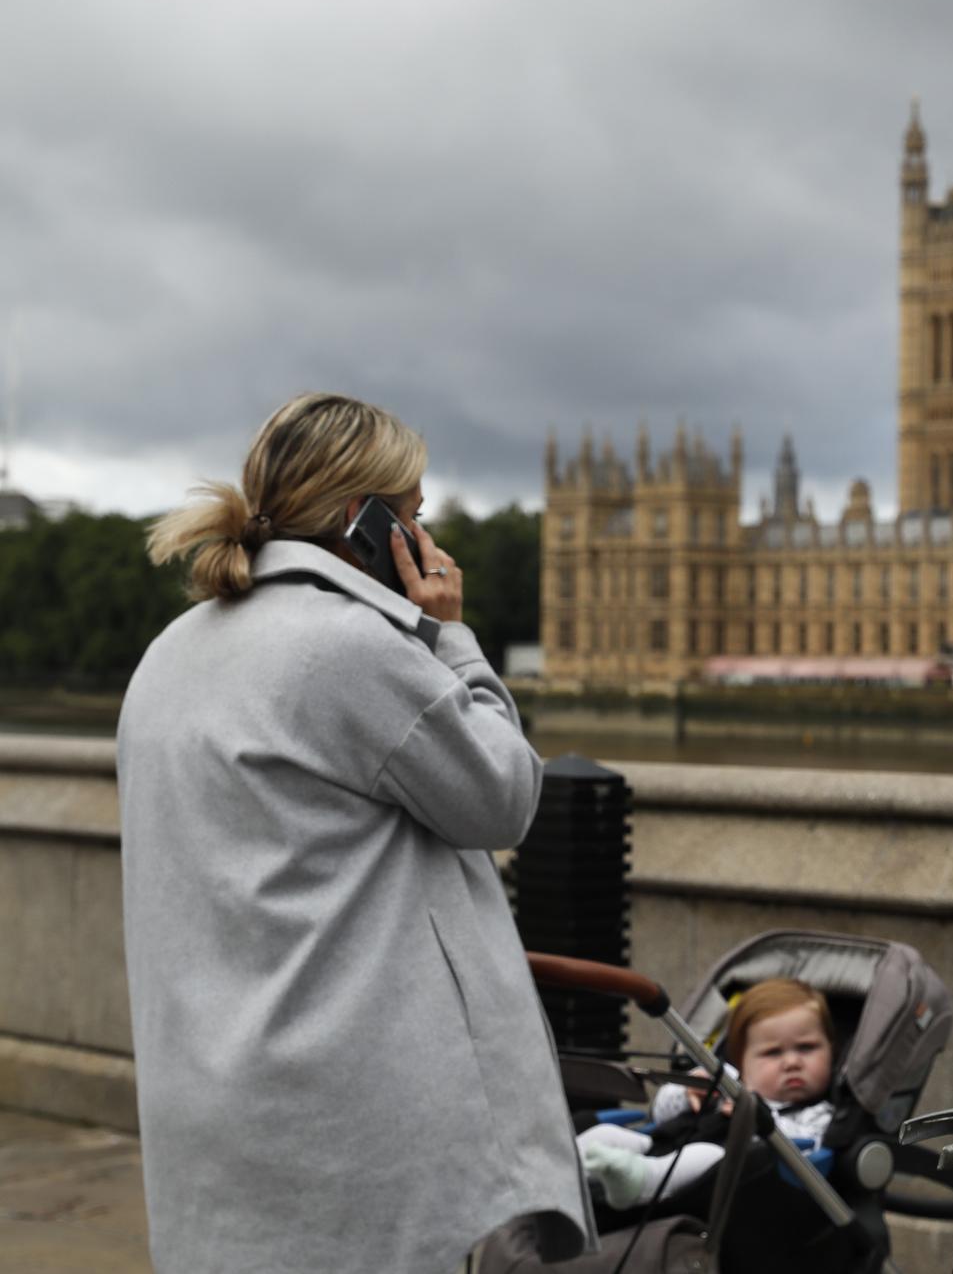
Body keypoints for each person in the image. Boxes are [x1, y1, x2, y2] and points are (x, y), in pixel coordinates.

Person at [120, 393, 593, 1274]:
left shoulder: (168, 654)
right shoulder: (348, 649)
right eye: (412, 516)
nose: (427, 541)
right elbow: (504, 796)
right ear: (362, 522)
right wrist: (452, 637)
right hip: (348, 1116)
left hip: (214, 1099)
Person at [578, 978, 837, 1210]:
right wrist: (687, 1090)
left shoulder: (820, 1115)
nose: (792, 1062)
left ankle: (640, 1181)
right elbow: (661, 1114)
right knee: (607, 1135)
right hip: (664, 1144)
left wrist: (757, 1122)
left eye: (806, 1048)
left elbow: (810, 1153)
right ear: (742, 1062)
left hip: (732, 1182)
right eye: (773, 1053)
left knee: (707, 1155)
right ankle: (570, 1167)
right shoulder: (728, 1082)